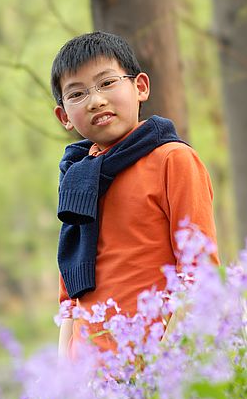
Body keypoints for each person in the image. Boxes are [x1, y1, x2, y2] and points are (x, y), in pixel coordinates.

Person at [50, 31, 218, 358]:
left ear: (140, 86)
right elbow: (70, 299)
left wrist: (160, 368)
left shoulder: (172, 160)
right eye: (78, 93)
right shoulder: (77, 179)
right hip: (90, 384)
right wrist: (65, 386)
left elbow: (200, 275)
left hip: (157, 368)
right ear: (64, 116)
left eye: (107, 83)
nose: (95, 100)